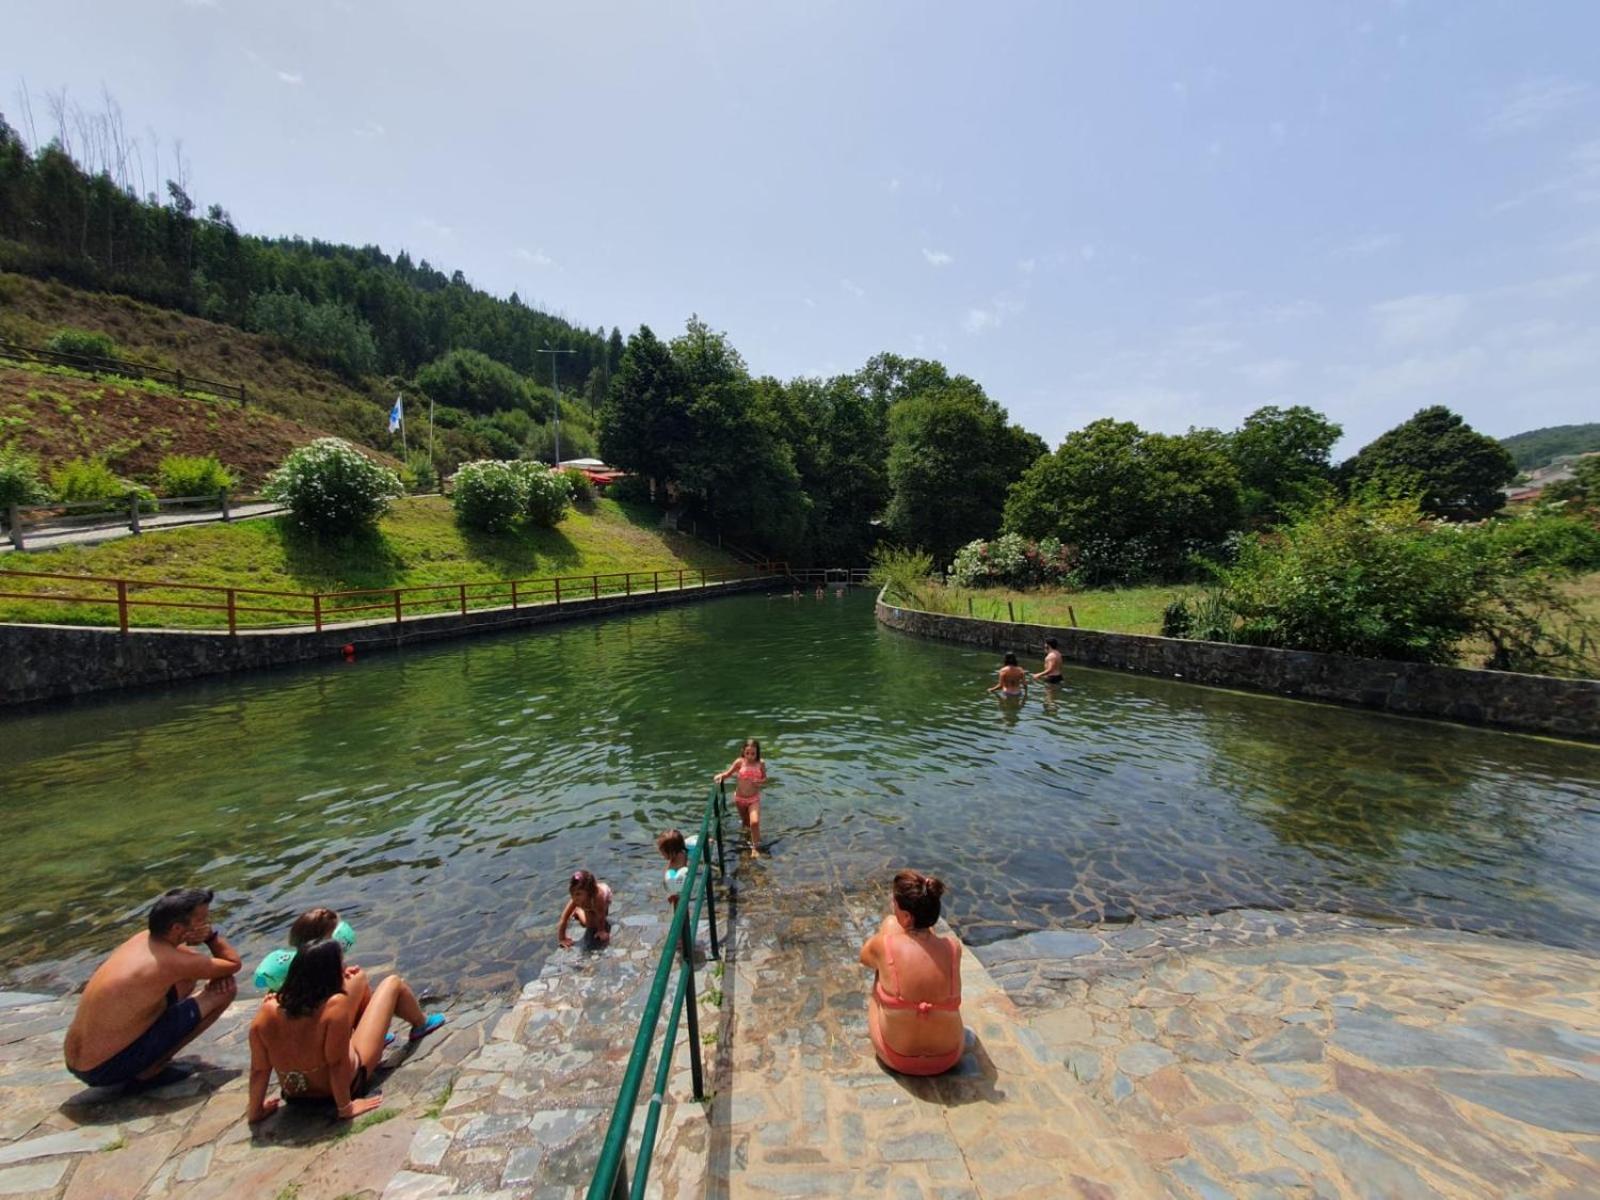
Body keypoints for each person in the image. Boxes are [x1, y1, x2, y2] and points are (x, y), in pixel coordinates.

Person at [246, 938, 445, 1124]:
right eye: (341, 964)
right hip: (343, 1087)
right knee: (392, 984)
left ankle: (377, 1035)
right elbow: (337, 1063)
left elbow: (259, 1069)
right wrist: (346, 1107)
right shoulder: (334, 1007)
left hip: (295, 1094)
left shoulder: (268, 1010)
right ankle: (421, 1024)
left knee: (358, 978)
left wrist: (255, 1110)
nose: (344, 967)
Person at [64, 887, 242, 1090]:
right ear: (176, 928)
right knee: (224, 990)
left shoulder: (142, 939)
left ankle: (150, 1051)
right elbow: (232, 964)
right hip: (105, 1068)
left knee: (186, 978)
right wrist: (210, 938)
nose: (206, 924)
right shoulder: (171, 962)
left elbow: (188, 962)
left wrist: (192, 938)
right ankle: (151, 1069)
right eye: (201, 920)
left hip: (78, 1061)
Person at [858, 871, 965, 1076]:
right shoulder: (953, 948)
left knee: (882, 968)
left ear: (907, 916)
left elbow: (865, 958)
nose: (892, 905)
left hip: (897, 1057)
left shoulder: (884, 945)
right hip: (949, 1057)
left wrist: (892, 937)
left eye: (895, 903)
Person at [254, 908, 372, 1020]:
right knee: (359, 978)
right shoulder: (326, 961)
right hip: (323, 1013)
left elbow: (279, 988)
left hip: (303, 1012)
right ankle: (368, 1029)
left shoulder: (290, 964)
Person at [715, 738, 768, 858]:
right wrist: (720, 776)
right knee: (746, 823)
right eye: (747, 753)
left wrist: (759, 782)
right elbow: (728, 773)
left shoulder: (761, 763)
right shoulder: (740, 762)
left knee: (754, 822)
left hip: (753, 798)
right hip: (740, 799)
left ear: (757, 752)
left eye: (753, 753)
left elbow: (765, 779)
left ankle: (755, 848)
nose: (750, 756)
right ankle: (747, 838)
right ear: (743, 752)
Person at [557, 869, 613, 947]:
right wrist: (562, 938)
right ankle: (578, 911)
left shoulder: (598, 898)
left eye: (578, 894)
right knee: (590, 925)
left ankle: (581, 910)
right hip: (589, 901)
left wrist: (601, 931)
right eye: (572, 893)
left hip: (605, 898)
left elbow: (601, 915)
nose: (575, 898)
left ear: (589, 892)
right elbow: (564, 918)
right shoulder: (575, 900)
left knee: (598, 920)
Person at [657, 830, 699, 909]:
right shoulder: (682, 851)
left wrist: (672, 895)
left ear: (671, 852)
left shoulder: (676, 865)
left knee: (678, 906)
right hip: (677, 880)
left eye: (662, 852)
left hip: (676, 884)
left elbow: (675, 884)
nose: (661, 854)